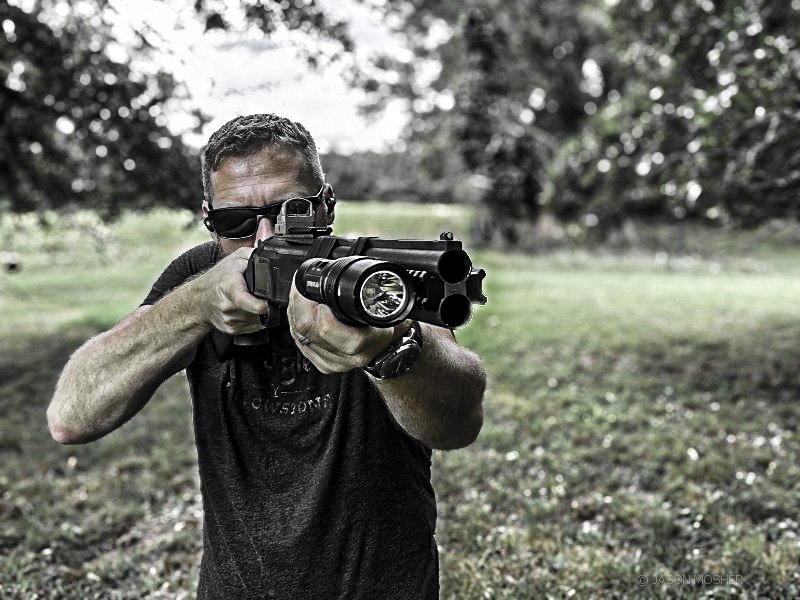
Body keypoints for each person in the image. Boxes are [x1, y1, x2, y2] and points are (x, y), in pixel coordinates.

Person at [47, 113, 486, 599]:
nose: (264, 238)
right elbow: (71, 416)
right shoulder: (200, 274)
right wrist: (195, 305)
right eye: (235, 222)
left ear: (327, 205)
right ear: (210, 221)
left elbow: (458, 421)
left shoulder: (372, 271)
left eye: (291, 212)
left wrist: (390, 350)